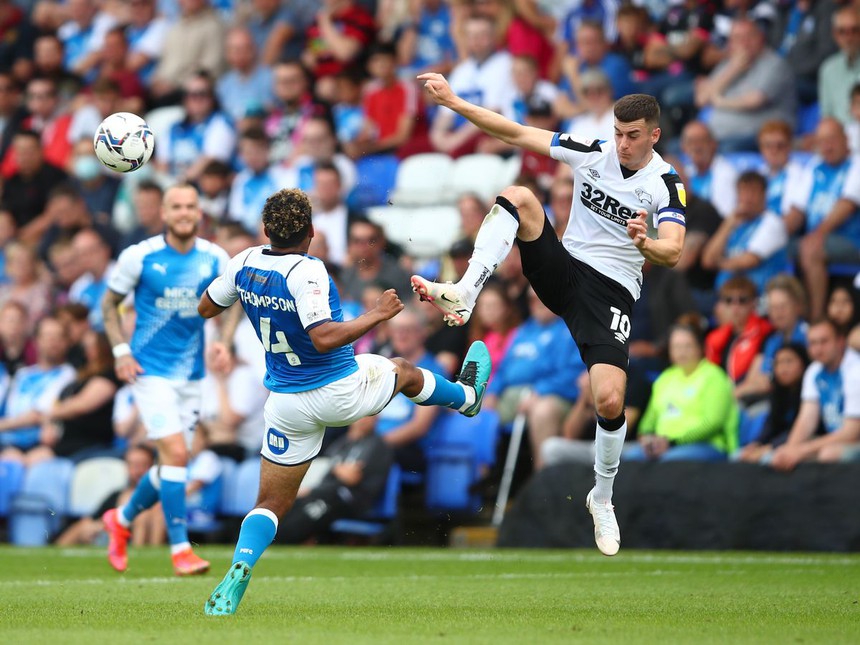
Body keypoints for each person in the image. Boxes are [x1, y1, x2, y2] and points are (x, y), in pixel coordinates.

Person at [409, 75, 686, 556]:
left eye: (633, 135)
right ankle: (465, 291)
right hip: (565, 269)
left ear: (654, 135)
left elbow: (675, 251)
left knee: (608, 400)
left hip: (611, 292)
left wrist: (647, 244)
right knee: (519, 195)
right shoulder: (594, 150)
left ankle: (601, 496)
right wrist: (454, 101)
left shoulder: (665, 184)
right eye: (618, 133)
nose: (622, 143)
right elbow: (516, 133)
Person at [197, 187, 491, 614]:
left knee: (270, 504)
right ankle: (466, 398)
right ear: (312, 231)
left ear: (265, 230)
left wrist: (250, 297)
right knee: (404, 369)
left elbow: (207, 307)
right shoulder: (308, 271)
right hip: (337, 391)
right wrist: (376, 314)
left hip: (285, 402)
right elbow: (322, 337)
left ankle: (240, 567)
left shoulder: (243, 262)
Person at [99, 184, 230, 577]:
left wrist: (223, 340)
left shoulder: (215, 257)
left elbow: (236, 296)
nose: (185, 212)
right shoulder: (140, 256)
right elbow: (108, 304)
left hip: (191, 374)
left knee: (173, 465)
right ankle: (181, 550)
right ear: (164, 214)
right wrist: (121, 351)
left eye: (191, 205)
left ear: (199, 212)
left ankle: (120, 520)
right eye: (177, 207)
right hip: (149, 371)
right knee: (174, 455)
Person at [623, 323, 739, 462]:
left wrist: (673, 442)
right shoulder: (665, 378)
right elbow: (648, 422)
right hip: (665, 446)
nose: (682, 352)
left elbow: (713, 423)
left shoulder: (714, 376)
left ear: (700, 348)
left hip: (707, 445)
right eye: (677, 347)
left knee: (671, 462)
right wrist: (647, 438)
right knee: (629, 459)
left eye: (687, 346)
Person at [771, 318, 860, 470]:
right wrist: (790, 450)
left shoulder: (856, 371)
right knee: (777, 455)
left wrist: (802, 450)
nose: (818, 349)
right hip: (839, 440)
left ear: (840, 341)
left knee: (828, 454)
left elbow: (852, 433)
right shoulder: (814, 371)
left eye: (824, 342)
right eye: (813, 343)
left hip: (853, 440)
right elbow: (806, 420)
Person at [737, 342, 812, 464]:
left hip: (804, 441)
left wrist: (771, 447)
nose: (783, 368)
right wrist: (757, 444)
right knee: (739, 455)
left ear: (803, 364)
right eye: (778, 363)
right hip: (778, 444)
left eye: (789, 361)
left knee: (767, 459)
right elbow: (771, 425)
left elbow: (801, 428)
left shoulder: (809, 392)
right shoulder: (778, 395)